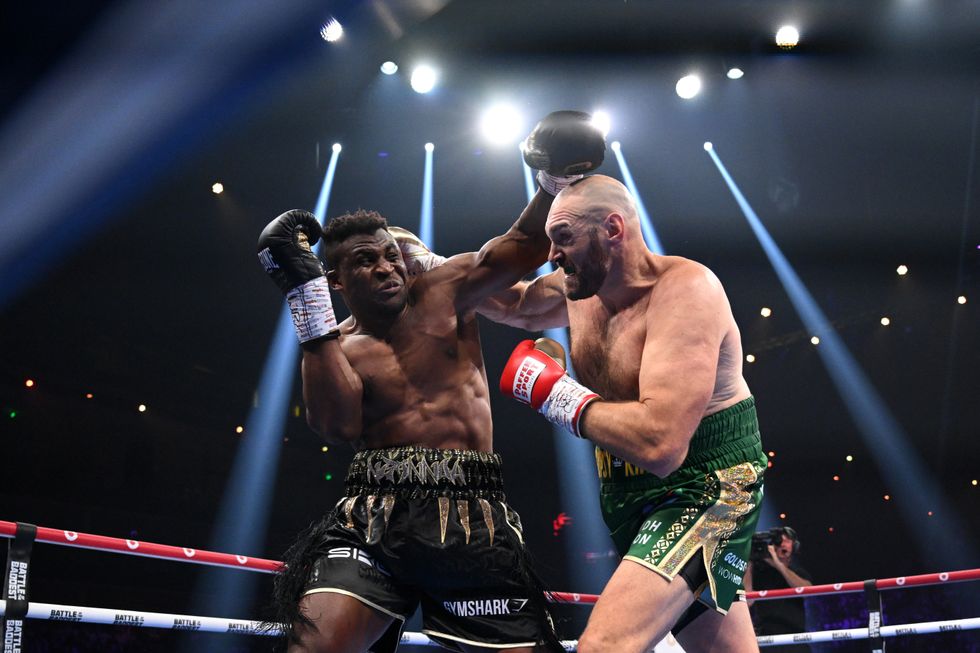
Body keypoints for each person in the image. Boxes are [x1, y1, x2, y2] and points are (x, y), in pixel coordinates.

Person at [256, 112, 605, 653]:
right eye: (365, 261)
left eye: (390, 256)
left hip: (471, 514)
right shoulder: (336, 345)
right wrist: (307, 306)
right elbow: (335, 424)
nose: (385, 268)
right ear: (334, 281)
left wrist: (551, 181)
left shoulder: (445, 291)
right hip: (371, 517)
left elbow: (522, 245)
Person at [495, 174, 767, 652]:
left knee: (603, 647)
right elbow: (512, 301)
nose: (552, 255)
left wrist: (555, 395)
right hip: (626, 491)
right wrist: (427, 269)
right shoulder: (580, 289)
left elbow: (660, 445)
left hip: (706, 488)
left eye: (563, 238)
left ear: (613, 229)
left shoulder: (685, 291)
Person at [744, 527, 813, 652]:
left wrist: (777, 562)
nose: (782, 543)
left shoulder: (798, 572)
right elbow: (747, 597)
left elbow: (807, 590)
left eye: (787, 540)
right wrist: (748, 560)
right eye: (779, 540)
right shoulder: (760, 572)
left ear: (795, 547)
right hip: (767, 638)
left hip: (794, 637)